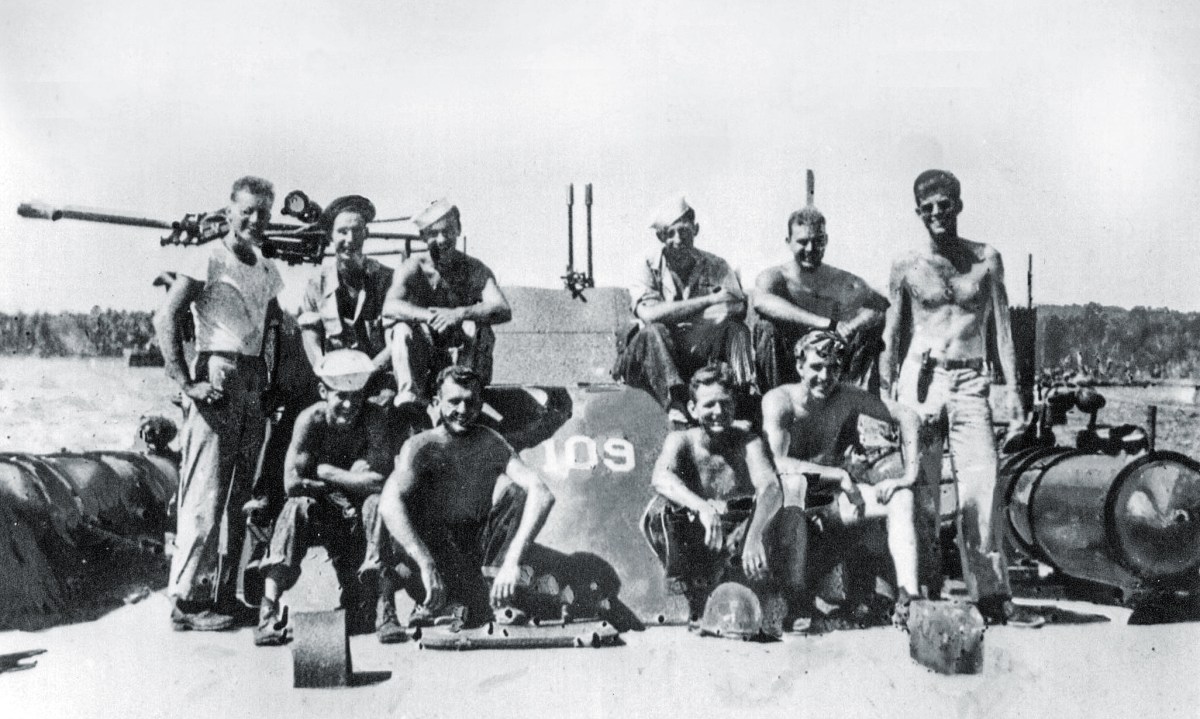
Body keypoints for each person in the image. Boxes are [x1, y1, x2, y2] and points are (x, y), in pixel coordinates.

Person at [880, 169, 1043, 628]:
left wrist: (1013, 390)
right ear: (918, 212)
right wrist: (886, 396)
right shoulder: (906, 264)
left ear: (958, 205)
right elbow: (892, 334)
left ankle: (991, 596)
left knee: (981, 487)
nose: (937, 213)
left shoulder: (986, 260)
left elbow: (1003, 329)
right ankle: (922, 593)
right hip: (921, 380)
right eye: (928, 207)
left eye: (945, 205)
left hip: (971, 380)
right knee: (922, 489)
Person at [155, 175, 284, 631]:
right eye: (247, 211)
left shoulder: (266, 268)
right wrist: (186, 382)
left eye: (263, 213)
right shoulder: (208, 256)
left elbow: (271, 328)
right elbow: (167, 316)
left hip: (252, 379)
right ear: (230, 211)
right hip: (218, 374)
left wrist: (271, 382)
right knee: (205, 490)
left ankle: (225, 594)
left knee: (239, 498)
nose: (255, 220)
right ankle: (187, 601)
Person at [761, 331, 922, 625]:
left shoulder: (845, 397)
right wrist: (837, 474)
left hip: (829, 502)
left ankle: (909, 599)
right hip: (785, 509)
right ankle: (797, 604)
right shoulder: (780, 401)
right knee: (793, 487)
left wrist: (909, 475)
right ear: (799, 367)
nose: (825, 377)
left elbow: (908, 416)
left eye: (833, 368)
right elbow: (777, 464)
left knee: (901, 497)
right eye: (816, 367)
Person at [377, 366, 555, 627]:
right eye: (454, 401)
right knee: (402, 505)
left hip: (474, 551)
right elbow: (388, 503)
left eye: (470, 402)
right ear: (436, 403)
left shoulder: (490, 441)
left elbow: (542, 493)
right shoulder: (421, 446)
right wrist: (425, 562)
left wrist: (512, 561)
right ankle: (432, 604)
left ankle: (497, 597)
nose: (462, 410)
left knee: (517, 493)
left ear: (480, 404)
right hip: (433, 553)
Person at [253, 350, 402, 646]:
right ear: (323, 392)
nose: (349, 404)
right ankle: (268, 611)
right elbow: (292, 484)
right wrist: (351, 479)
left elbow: (379, 482)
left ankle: (386, 610)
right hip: (321, 509)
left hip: (359, 510)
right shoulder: (311, 421)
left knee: (378, 505)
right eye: (340, 396)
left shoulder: (373, 418)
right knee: (296, 508)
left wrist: (327, 471)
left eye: (356, 396)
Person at [640, 364, 805, 623]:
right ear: (693, 409)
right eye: (709, 405)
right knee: (660, 510)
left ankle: (790, 602)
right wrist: (703, 507)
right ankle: (687, 590)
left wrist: (754, 536)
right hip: (701, 538)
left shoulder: (749, 442)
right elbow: (660, 478)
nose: (718, 412)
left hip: (739, 539)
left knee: (788, 511)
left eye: (725, 404)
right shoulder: (681, 440)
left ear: (734, 406)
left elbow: (771, 488)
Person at [613, 194, 754, 423]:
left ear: (695, 230)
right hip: (647, 359)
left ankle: (741, 400)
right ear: (660, 236)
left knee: (737, 330)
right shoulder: (646, 264)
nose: (678, 240)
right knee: (655, 331)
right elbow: (650, 314)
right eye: (670, 233)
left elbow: (736, 306)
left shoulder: (716, 266)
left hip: (695, 347)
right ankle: (676, 403)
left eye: (684, 231)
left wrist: (680, 315)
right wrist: (708, 301)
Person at [753, 191, 888, 393]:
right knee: (766, 328)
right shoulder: (775, 278)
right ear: (788, 241)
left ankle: (849, 399)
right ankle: (774, 400)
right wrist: (825, 323)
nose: (810, 248)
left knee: (869, 330)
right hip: (788, 368)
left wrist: (850, 328)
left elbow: (879, 306)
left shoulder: (841, 280)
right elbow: (760, 301)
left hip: (831, 363)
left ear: (826, 240)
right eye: (802, 242)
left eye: (818, 241)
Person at [382, 199, 511, 406]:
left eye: (448, 231)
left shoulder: (474, 269)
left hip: (460, 356)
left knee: (475, 326)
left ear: (458, 229)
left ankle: (464, 394)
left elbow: (502, 308)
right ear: (423, 236)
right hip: (424, 358)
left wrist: (458, 314)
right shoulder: (412, 268)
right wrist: (431, 316)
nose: (442, 240)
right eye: (433, 233)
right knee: (401, 329)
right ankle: (410, 401)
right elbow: (390, 306)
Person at [297, 195, 395, 399]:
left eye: (357, 231)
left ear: (366, 234)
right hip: (333, 380)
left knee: (386, 405)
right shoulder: (317, 283)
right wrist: (325, 371)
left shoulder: (386, 279)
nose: (350, 240)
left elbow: (395, 342)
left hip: (377, 377)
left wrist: (365, 374)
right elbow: (310, 334)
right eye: (342, 232)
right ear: (330, 236)